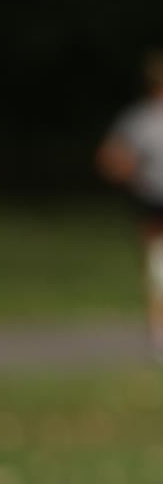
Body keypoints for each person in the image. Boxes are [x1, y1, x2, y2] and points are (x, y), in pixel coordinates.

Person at [96, 50, 163, 360]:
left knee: (157, 266)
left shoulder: (138, 118)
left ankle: (157, 329)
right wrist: (135, 173)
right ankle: (157, 329)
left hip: (150, 197)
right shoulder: (141, 119)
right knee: (157, 266)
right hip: (153, 199)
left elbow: (111, 159)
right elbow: (112, 160)